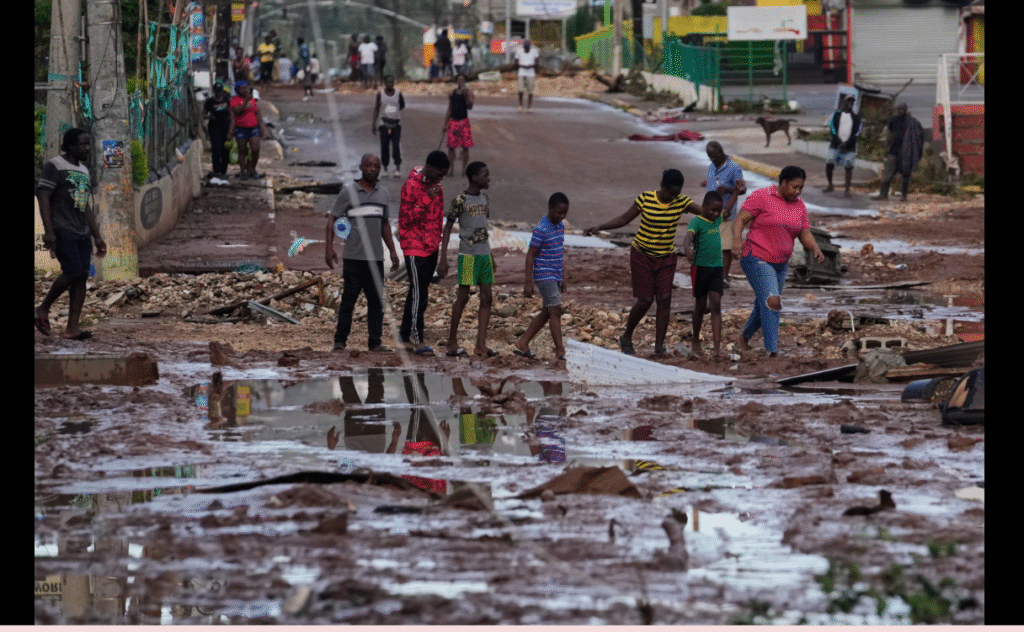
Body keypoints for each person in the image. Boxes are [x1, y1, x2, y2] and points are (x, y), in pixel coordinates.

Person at [583, 169, 696, 356]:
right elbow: (624, 218)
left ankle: (659, 346)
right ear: (662, 186)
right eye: (669, 194)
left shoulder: (682, 202)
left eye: (675, 195)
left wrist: (727, 199)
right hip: (641, 255)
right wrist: (599, 227)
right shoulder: (645, 199)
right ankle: (626, 336)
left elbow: (706, 212)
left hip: (666, 258)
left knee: (665, 299)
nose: (671, 198)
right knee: (645, 300)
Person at [732, 166, 825, 357]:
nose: (797, 192)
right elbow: (740, 219)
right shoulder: (762, 196)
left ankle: (743, 338)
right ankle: (772, 351)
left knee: (764, 303)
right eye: (794, 187)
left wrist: (815, 248)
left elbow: (803, 231)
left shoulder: (799, 205)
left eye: (801, 188)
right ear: (783, 183)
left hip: (781, 263)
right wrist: (736, 241)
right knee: (772, 301)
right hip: (756, 257)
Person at [35, 128, 107, 340]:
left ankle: (72, 328)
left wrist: (97, 236)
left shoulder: (84, 171)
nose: (87, 148)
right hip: (62, 228)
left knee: (82, 276)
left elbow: (84, 206)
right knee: (73, 271)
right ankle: (42, 308)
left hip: (81, 231)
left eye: (88, 144)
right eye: (82, 144)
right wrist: (49, 231)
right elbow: (43, 197)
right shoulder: (54, 166)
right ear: (70, 146)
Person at [325, 153, 400, 352]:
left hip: (375, 258)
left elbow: (384, 224)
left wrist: (393, 251)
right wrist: (329, 248)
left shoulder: (383, 194)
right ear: (361, 167)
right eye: (368, 165)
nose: (372, 168)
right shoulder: (348, 192)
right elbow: (332, 220)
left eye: (376, 165)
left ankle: (375, 343)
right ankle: (340, 342)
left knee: (376, 303)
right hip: (353, 257)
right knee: (348, 302)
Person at [439, 161, 496, 359]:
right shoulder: (460, 200)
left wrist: (492, 256)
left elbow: (482, 229)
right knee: (463, 297)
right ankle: (451, 342)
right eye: (485, 175)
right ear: (474, 177)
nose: (488, 179)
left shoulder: (485, 199)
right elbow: (447, 228)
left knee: (487, 298)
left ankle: (481, 345)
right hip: (468, 256)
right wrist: (443, 257)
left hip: (484, 255)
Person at [397, 150, 451, 356]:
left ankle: (404, 336)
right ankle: (418, 340)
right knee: (420, 294)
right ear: (429, 167)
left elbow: (438, 218)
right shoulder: (410, 186)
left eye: (443, 175)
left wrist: (438, 247)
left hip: (430, 246)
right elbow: (406, 219)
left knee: (418, 292)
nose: (441, 179)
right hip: (413, 246)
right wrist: (425, 200)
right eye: (439, 174)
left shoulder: (437, 187)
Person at [513, 192, 570, 362]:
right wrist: (528, 282)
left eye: (565, 213)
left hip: (554, 274)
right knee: (555, 310)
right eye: (559, 213)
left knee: (547, 312)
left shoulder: (560, 227)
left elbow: (558, 253)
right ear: (550, 208)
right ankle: (560, 351)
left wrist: (561, 277)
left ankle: (523, 343)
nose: (562, 216)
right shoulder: (541, 229)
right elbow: (530, 255)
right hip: (543, 275)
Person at [682, 191, 725, 358]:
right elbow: (689, 236)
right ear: (704, 206)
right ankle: (695, 340)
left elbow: (727, 209)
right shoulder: (696, 221)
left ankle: (716, 349)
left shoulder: (718, 219)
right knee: (700, 306)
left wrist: (735, 192)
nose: (715, 214)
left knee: (716, 305)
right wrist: (686, 247)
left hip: (716, 268)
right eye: (712, 210)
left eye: (718, 211)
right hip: (700, 268)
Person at [699, 141, 745, 287]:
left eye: (714, 156)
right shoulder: (711, 167)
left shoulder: (733, 168)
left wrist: (727, 190)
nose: (712, 159)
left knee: (726, 246)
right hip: (710, 212)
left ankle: (724, 277)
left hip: (726, 212)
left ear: (721, 152)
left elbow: (742, 189)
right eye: (710, 157)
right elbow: (710, 186)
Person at [872, 103, 925, 202]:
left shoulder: (912, 122)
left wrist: (916, 153)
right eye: (899, 109)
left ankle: (904, 196)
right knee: (888, 173)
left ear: (906, 109)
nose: (901, 110)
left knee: (906, 174)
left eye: (903, 109)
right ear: (897, 109)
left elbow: (919, 137)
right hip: (893, 151)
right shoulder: (893, 120)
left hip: (907, 153)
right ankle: (883, 194)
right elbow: (889, 134)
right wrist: (886, 149)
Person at [824, 95, 862, 198]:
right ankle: (830, 185)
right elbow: (832, 129)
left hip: (849, 148)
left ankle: (847, 190)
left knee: (848, 167)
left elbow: (857, 133)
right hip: (835, 146)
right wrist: (839, 142)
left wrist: (846, 143)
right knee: (829, 164)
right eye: (849, 101)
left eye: (852, 102)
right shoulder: (836, 115)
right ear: (844, 103)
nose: (851, 103)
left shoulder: (856, 118)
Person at [229, 80, 269, 179]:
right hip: (241, 129)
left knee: (255, 149)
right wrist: (246, 101)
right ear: (238, 90)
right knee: (242, 150)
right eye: (242, 88)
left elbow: (258, 115)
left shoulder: (253, 100)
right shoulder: (234, 100)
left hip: (253, 128)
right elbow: (237, 111)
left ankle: (252, 169)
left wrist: (263, 129)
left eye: (246, 88)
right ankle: (243, 171)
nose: (245, 90)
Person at [372, 75, 405, 178]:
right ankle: (385, 168)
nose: (390, 84)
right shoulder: (380, 94)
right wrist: (374, 123)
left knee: (396, 146)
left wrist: (394, 112)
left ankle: (397, 168)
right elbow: (376, 108)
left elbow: (402, 105)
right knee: (384, 146)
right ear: (385, 83)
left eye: (392, 82)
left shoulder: (398, 94)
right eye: (388, 82)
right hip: (384, 124)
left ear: (394, 83)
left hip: (396, 124)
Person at [443, 73, 474, 179]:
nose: (460, 81)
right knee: (451, 147)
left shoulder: (468, 92)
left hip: (464, 122)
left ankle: (464, 170)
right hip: (453, 122)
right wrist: (445, 124)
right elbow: (449, 109)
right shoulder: (452, 93)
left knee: (465, 147)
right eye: (459, 79)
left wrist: (467, 96)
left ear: (465, 81)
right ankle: (451, 169)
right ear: (456, 81)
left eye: (462, 79)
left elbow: (470, 106)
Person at [202, 81, 232, 178]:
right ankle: (217, 170)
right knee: (216, 148)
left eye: (220, 92)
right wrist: (209, 117)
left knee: (225, 150)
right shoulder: (210, 102)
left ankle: (224, 171)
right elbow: (203, 114)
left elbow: (231, 114)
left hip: (225, 128)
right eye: (217, 92)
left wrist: (231, 130)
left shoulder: (227, 100)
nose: (219, 94)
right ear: (214, 91)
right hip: (214, 128)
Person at [515, 39, 540, 113]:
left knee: (530, 91)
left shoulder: (534, 51)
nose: (526, 48)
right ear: (523, 46)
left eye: (527, 46)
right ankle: (520, 106)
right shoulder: (519, 51)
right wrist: (521, 65)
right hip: (521, 72)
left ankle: (529, 107)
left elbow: (537, 62)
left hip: (531, 73)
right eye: (525, 46)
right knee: (520, 90)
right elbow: (516, 62)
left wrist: (532, 65)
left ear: (530, 46)